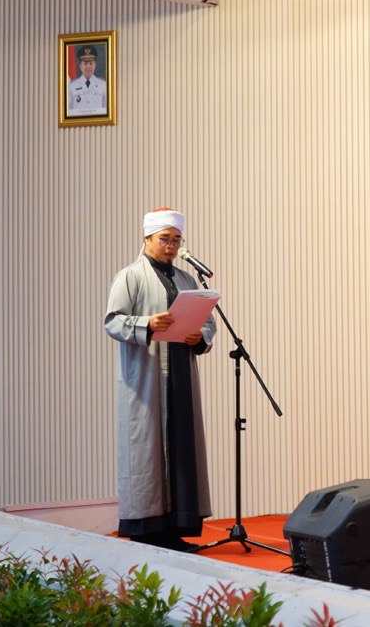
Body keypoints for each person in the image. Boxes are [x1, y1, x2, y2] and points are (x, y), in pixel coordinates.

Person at [104, 208, 216, 551]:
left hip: (180, 374)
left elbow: (207, 322)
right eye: (164, 239)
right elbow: (113, 321)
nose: (171, 246)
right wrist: (147, 324)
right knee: (147, 451)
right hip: (147, 377)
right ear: (147, 238)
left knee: (182, 447)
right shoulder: (130, 276)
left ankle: (175, 529)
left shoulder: (187, 279)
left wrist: (200, 337)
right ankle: (147, 531)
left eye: (176, 240)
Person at [67, 46, 107, 117]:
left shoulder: (103, 85)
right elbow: (69, 111)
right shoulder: (72, 86)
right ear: (80, 66)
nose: (88, 67)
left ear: (95, 65)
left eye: (91, 63)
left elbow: (106, 109)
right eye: (85, 63)